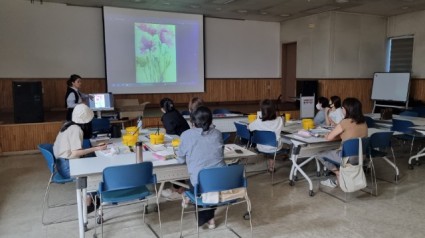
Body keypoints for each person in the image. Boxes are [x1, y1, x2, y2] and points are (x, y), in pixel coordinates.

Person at [177, 106, 225, 229]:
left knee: (196, 182)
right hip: (221, 181)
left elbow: (180, 159)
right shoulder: (218, 133)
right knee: (208, 181)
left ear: (192, 121)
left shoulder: (186, 135)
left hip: (201, 182)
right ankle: (210, 219)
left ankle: (190, 198)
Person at [53, 104, 107, 212]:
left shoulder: (68, 125)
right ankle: (88, 202)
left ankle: (91, 196)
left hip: (61, 163)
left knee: (92, 159)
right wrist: (96, 148)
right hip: (67, 167)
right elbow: (75, 152)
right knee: (94, 173)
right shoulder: (76, 129)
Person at [316, 97, 368, 188]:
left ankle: (339, 174)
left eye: (343, 108)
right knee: (335, 151)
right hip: (362, 157)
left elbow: (329, 138)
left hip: (346, 158)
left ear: (347, 110)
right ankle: (341, 175)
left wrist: (327, 135)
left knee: (319, 154)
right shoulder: (364, 122)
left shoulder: (345, 122)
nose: (342, 110)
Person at [248, 99, 284, 173]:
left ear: (262, 111)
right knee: (274, 143)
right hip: (275, 147)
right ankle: (271, 167)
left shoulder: (258, 122)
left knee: (269, 144)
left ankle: (270, 165)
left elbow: (249, 128)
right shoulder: (280, 120)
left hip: (261, 147)